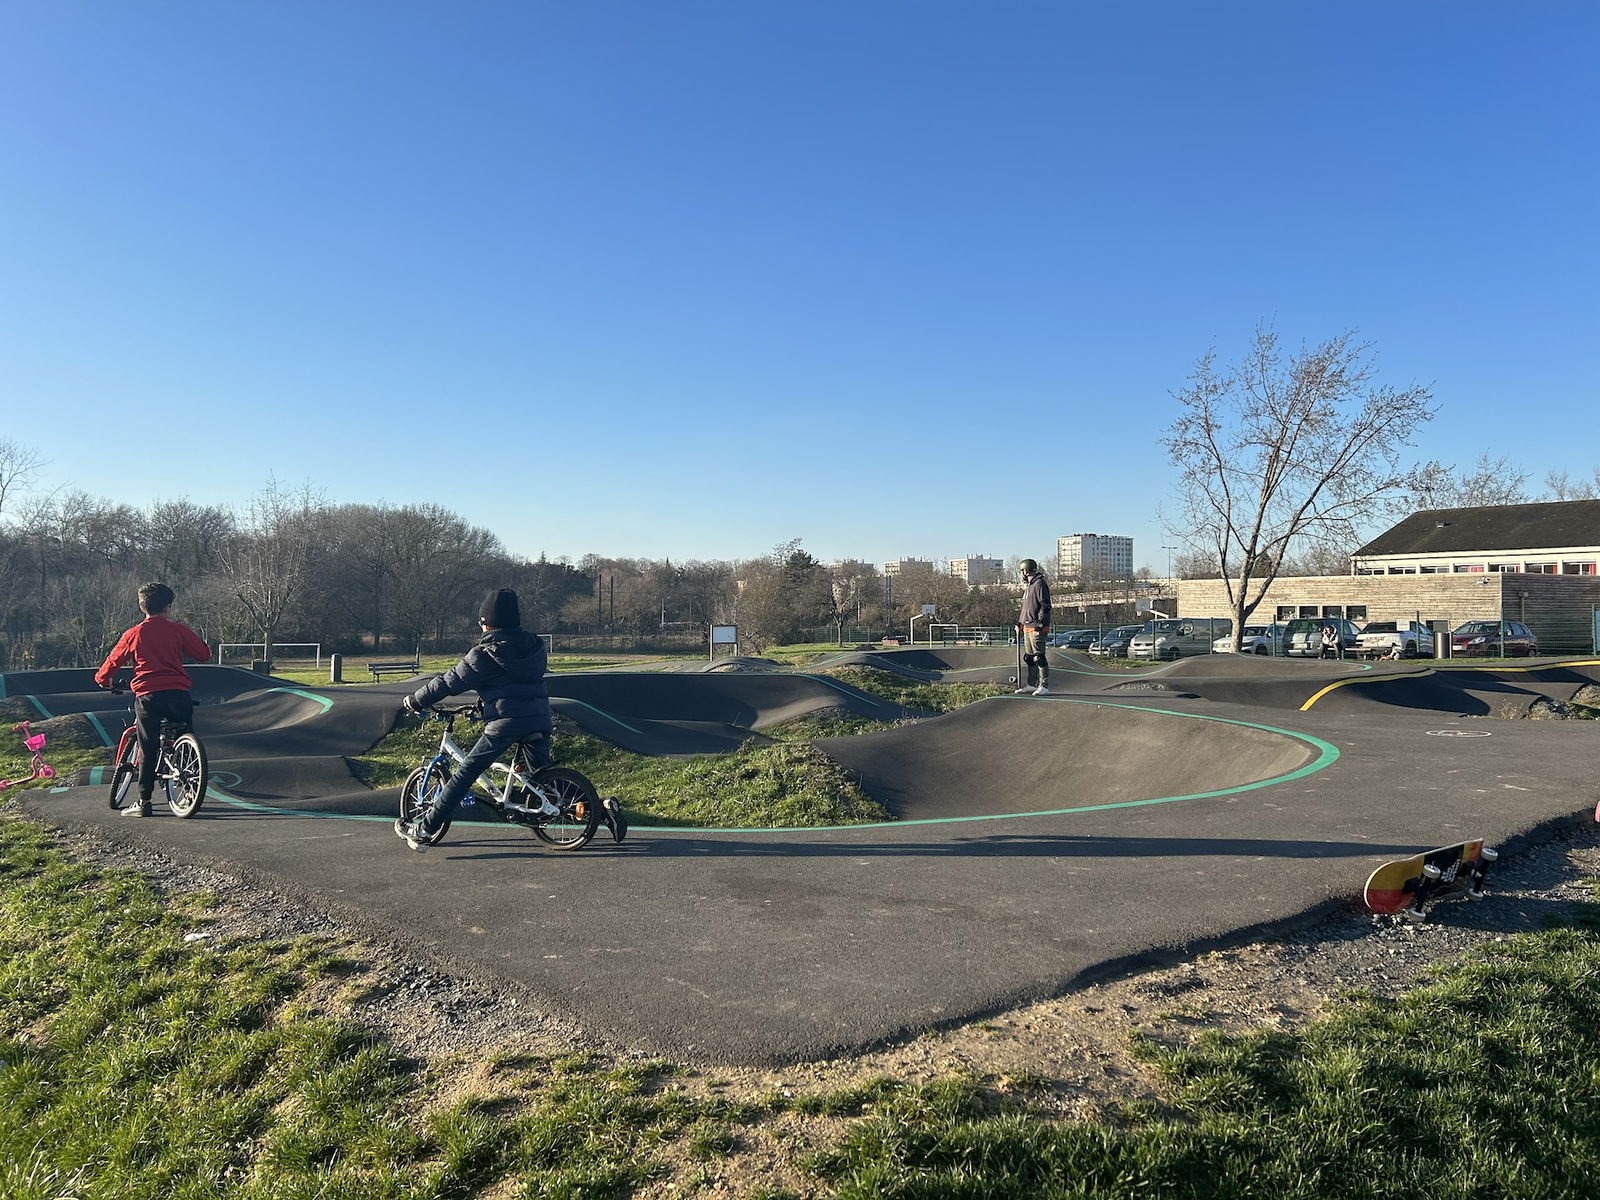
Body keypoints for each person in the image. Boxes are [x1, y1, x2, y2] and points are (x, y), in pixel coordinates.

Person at [394, 588, 625, 851]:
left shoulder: (484, 653)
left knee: (464, 775)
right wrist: (484, 703)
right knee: (542, 781)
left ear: (487, 623)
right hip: (539, 719)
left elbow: (448, 682)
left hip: (506, 724)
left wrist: (416, 700)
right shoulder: (534, 647)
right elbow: (512, 683)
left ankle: (424, 830)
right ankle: (601, 808)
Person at [94, 581, 212, 817]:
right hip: (178, 693)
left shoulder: (134, 634)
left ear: (142, 607)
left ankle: (144, 801)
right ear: (168, 607)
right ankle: (189, 788)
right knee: (185, 736)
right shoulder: (178, 631)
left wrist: (103, 680)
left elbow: (112, 662)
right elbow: (203, 655)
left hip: (149, 695)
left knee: (148, 747)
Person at [1014, 558, 1052, 696]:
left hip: (1037, 627)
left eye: (1021, 571)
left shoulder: (1039, 584)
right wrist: (1020, 623)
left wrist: (1040, 624)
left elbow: (1045, 605)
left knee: (1039, 657)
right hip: (1027, 626)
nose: (1020, 574)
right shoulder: (1029, 586)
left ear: (1026, 571)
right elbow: (1027, 608)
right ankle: (1031, 684)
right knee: (1029, 658)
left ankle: (1044, 685)